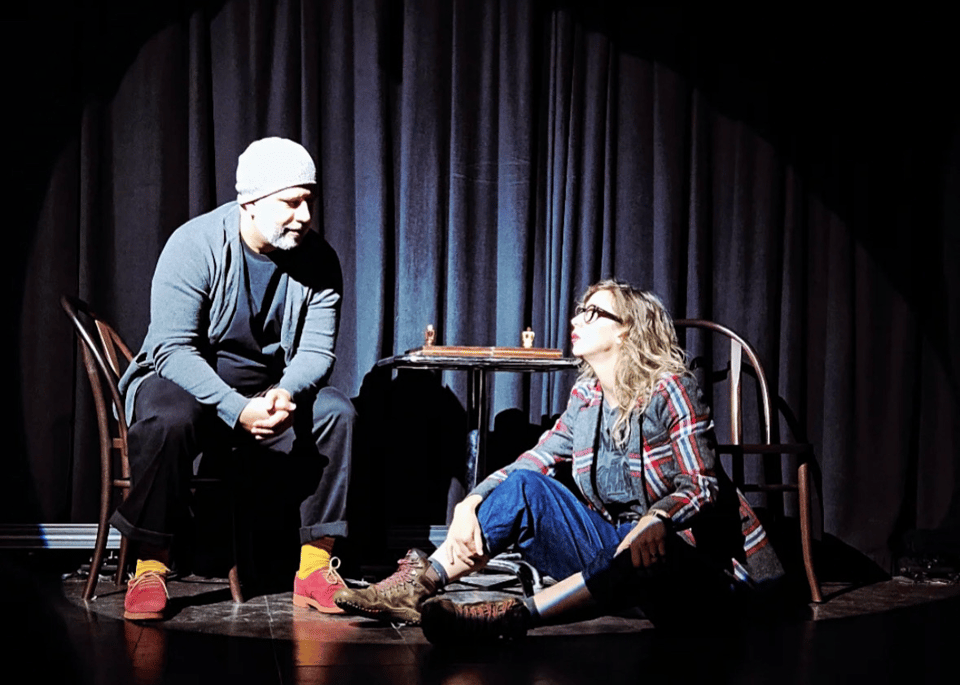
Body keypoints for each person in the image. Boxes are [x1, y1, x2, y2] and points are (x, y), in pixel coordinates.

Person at [333, 280, 784, 642]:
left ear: (626, 329)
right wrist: (472, 500)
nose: (576, 319)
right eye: (579, 310)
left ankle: (512, 618)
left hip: (696, 572)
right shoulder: (586, 398)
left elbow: (702, 485)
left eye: (593, 312)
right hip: (621, 560)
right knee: (527, 489)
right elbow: (534, 460)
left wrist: (659, 518)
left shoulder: (671, 388)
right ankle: (420, 586)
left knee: (636, 542)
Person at [110, 137, 356, 620]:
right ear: (251, 202)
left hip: (267, 390)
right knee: (166, 419)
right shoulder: (194, 244)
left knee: (337, 413)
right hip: (187, 383)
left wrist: (284, 394)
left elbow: (316, 352)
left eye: (309, 200)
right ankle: (151, 565)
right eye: (291, 202)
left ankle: (314, 566)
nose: (304, 215)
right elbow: (171, 349)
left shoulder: (319, 261)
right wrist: (234, 408)